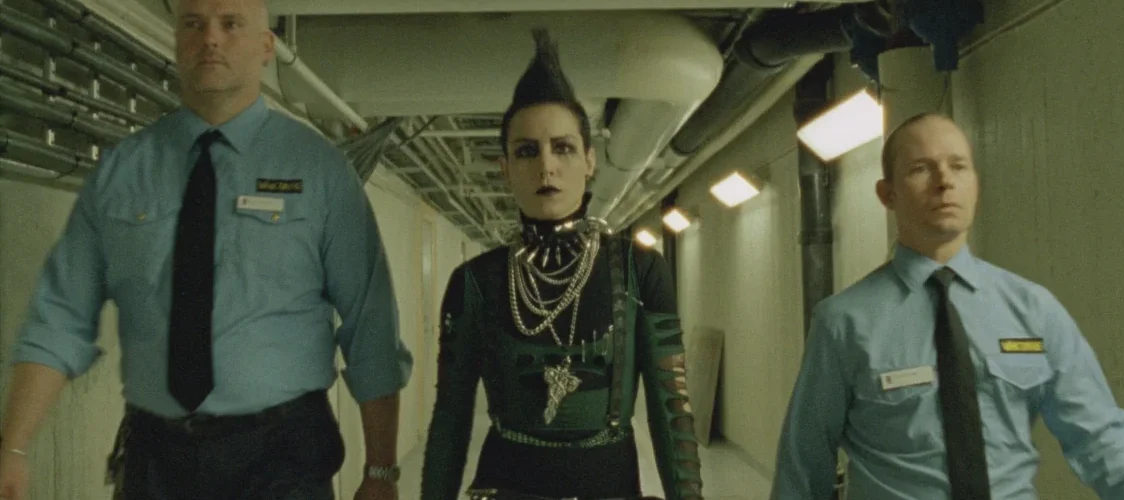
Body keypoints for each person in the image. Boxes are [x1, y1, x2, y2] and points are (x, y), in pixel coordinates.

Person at [0, 0, 412, 498]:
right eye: (193, 24)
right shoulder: (125, 170)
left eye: (230, 24)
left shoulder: (319, 171)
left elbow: (371, 326)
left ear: (266, 47)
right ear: (177, 41)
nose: (210, 38)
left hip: (282, 459)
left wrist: (380, 470)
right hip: (156, 457)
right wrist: (13, 446)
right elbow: (61, 315)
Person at [770, 112, 1124, 500]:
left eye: (958, 166)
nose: (944, 181)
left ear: (976, 185)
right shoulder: (843, 322)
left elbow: (1100, 434)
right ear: (887, 194)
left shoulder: (1032, 310)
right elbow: (805, 464)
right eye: (920, 169)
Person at [420, 30, 703, 500]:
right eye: (527, 150)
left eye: (563, 147)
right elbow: (450, 416)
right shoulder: (475, 281)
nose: (546, 167)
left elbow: (672, 411)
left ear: (590, 161)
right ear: (505, 169)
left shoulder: (640, 270)